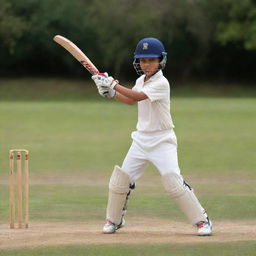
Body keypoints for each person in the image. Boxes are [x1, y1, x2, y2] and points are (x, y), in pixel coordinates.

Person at [91, 37, 212, 236]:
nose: (146, 64)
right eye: (143, 60)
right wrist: (111, 94)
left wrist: (112, 83)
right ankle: (114, 220)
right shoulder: (141, 80)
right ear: (137, 62)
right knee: (120, 179)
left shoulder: (162, 83)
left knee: (172, 180)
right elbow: (131, 101)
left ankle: (202, 221)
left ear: (160, 60)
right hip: (141, 140)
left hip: (162, 140)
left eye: (151, 60)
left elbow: (138, 96)